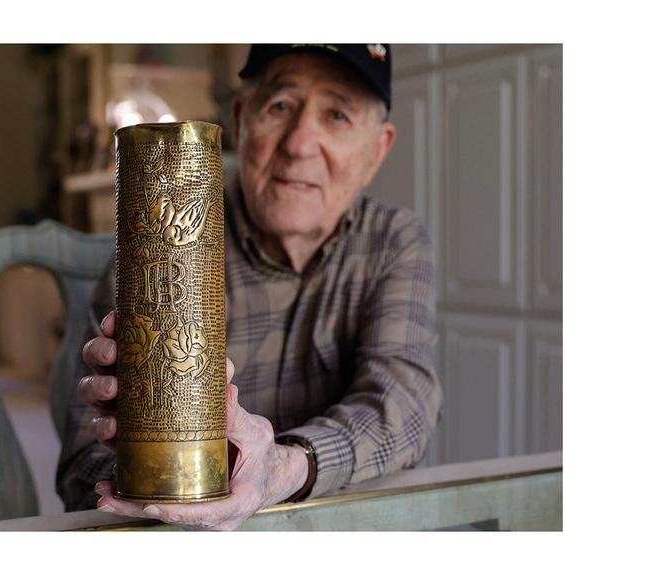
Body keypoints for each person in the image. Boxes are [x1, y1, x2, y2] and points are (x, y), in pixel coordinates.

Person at [56, 44, 443, 531]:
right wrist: (147, 458)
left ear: (377, 150)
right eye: (280, 106)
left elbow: (403, 408)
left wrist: (282, 466)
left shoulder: (393, 240)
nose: (300, 144)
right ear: (241, 120)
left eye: (338, 115)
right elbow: (80, 472)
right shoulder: (155, 244)